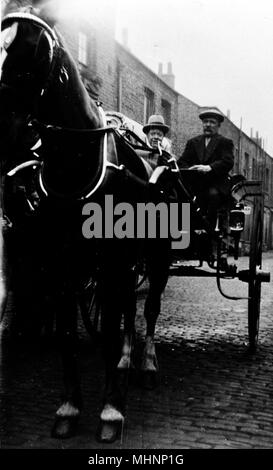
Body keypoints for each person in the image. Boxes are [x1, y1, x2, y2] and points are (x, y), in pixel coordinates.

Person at [177, 107, 234, 228]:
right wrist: (191, 168)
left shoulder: (225, 142)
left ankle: (210, 228)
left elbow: (228, 162)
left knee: (213, 196)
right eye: (205, 122)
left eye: (212, 122)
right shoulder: (193, 142)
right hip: (196, 184)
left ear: (218, 125)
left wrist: (210, 167)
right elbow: (182, 162)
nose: (208, 125)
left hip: (215, 184)